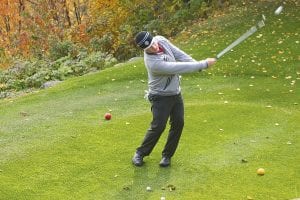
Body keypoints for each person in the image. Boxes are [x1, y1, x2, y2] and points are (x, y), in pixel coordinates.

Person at [132, 31, 216, 167]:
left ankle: (167, 156)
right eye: (149, 48)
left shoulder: (161, 40)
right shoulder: (153, 63)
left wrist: (196, 64)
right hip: (160, 97)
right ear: (144, 50)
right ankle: (140, 153)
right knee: (158, 127)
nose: (153, 48)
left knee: (178, 123)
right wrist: (203, 64)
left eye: (153, 44)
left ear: (154, 39)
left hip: (175, 93)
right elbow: (177, 67)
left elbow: (179, 54)